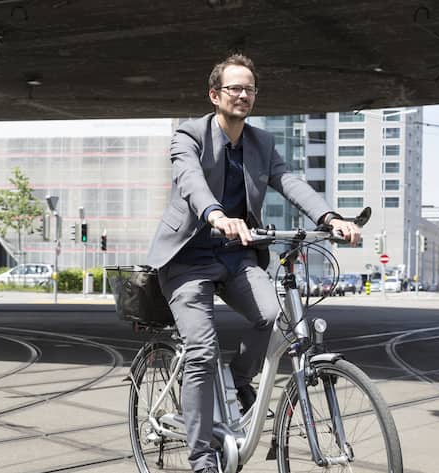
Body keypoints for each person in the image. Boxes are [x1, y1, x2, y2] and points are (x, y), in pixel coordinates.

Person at [146, 54, 361, 473]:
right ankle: (201, 456)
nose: (243, 95)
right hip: (188, 258)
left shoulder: (262, 143)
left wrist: (330, 219)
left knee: (276, 318)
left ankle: (241, 379)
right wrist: (216, 215)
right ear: (215, 95)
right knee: (201, 351)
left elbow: (290, 181)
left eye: (250, 89)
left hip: (237, 256)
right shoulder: (187, 136)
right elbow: (190, 180)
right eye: (235, 88)